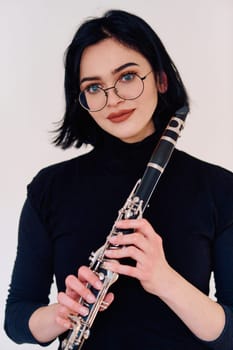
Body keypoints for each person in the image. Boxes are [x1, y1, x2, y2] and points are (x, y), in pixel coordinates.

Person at [4, 9, 233, 350]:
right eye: (94, 87)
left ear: (160, 79)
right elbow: (17, 318)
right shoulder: (49, 188)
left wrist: (163, 279)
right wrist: (61, 314)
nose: (112, 99)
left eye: (126, 77)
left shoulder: (219, 188)